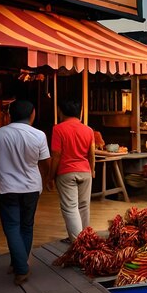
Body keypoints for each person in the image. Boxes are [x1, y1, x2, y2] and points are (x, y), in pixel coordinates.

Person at [0, 100, 50, 285]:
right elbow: (45, 161)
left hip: (8, 187)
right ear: (32, 114)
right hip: (32, 188)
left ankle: (20, 267)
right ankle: (20, 264)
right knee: (26, 226)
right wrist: (48, 178)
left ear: (9, 114)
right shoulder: (39, 135)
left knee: (11, 227)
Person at [48, 100, 95, 241]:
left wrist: (50, 176)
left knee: (70, 208)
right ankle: (86, 238)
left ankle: (77, 243)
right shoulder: (88, 130)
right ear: (79, 112)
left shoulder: (58, 129)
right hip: (85, 171)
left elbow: (56, 155)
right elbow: (91, 154)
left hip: (66, 172)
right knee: (84, 206)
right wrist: (92, 170)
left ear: (61, 111)